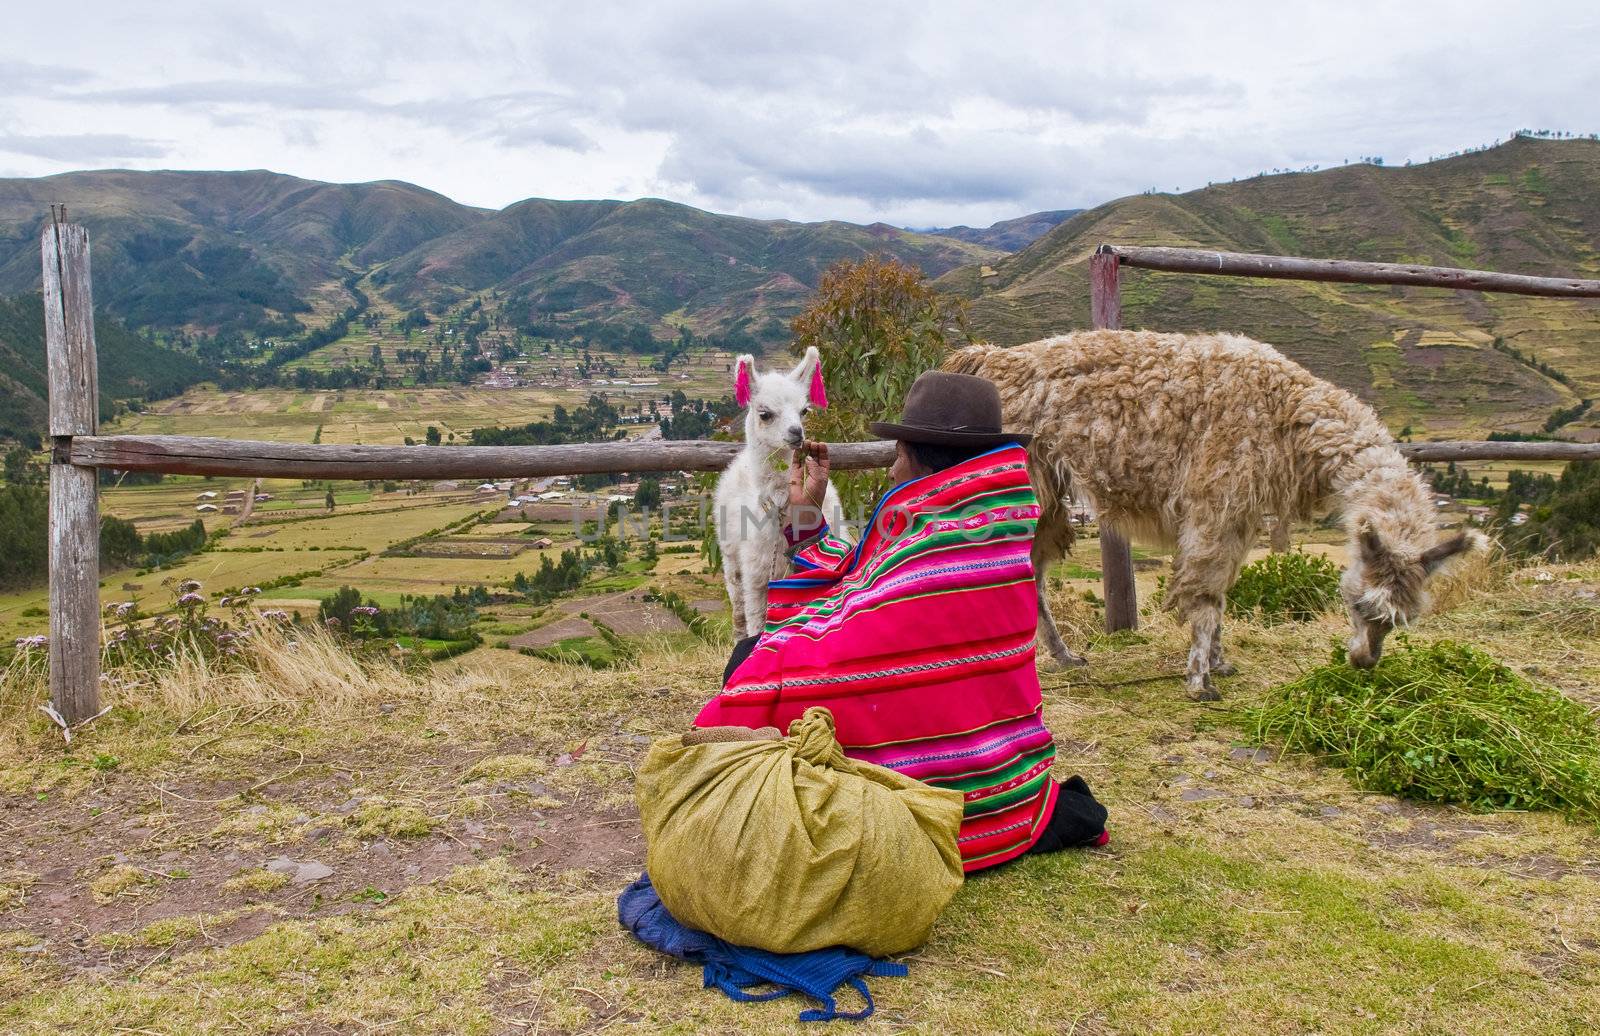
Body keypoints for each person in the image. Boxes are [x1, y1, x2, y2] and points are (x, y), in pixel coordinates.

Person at [698, 371, 1107, 872]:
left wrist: (763, 664)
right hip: (1006, 793)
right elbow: (866, 595)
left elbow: (846, 644)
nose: (891, 472)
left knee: (749, 662)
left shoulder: (929, 549)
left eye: (896, 456)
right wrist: (807, 520)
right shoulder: (996, 542)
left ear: (918, 459)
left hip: (927, 804)